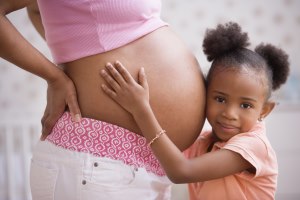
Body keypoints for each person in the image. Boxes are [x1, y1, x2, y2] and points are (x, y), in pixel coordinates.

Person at [0, 0, 206, 199]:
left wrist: (76, 51)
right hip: (98, 163)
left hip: (147, 169)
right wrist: (54, 77)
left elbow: (38, 9)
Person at [100, 22, 290, 200]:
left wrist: (141, 110)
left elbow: (181, 171)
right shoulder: (204, 142)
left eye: (245, 105)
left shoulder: (254, 146)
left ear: (264, 110)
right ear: (203, 95)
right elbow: (165, 153)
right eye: (220, 99)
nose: (229, 113)